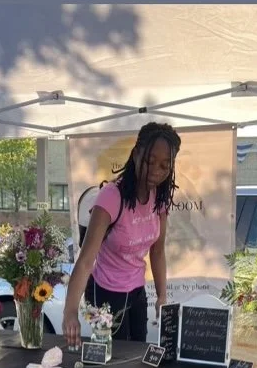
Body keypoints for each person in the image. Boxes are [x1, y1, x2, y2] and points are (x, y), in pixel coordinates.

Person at [62, 121, 181, 348]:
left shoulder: (160, 199)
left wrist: (161, 297)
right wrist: (70, 312)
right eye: (150, 161)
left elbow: (157, 251)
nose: (156, 170)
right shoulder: (111, 197)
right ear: (136, 154)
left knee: (137, 357)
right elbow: (86, 260)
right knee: (113, 363)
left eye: (165, 165)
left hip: (136, 290)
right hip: (106, 292)